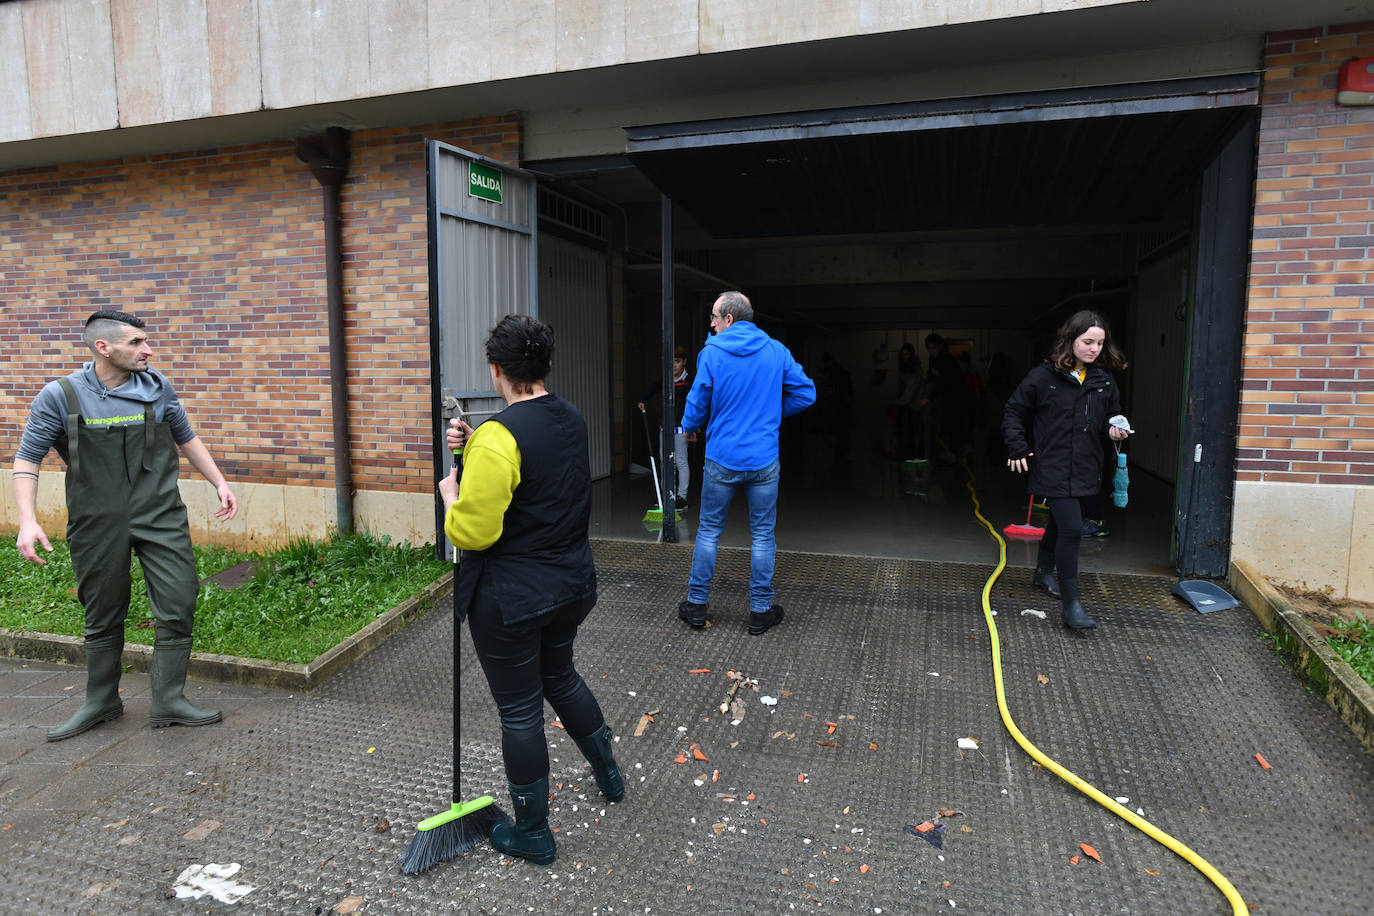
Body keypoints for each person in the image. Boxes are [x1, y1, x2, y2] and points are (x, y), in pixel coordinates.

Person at [438, 314, 622, 867]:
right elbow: (535, 475)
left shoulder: (500, 437)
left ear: (496, 370)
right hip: (570, 585)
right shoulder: (571, 418)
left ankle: (533, 832)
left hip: (513, 600)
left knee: (520, 711)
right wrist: (476, 447)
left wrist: (452, 494)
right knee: (560, 678)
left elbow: (474, 530)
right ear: (546, 366)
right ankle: (609, 776)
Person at [13, 310, 238, 741]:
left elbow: (185, 435)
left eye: (145, 341)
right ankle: (101, 701)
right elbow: (27, 459)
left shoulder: (158, 388)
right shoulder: (62, 395)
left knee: (179, 599)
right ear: (104, 348)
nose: (147, 349)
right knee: (102, 609)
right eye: (136, 342)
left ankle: (169, 700)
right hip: (97, 521)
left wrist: (219, 481)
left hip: (160, 515)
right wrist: (27, 520)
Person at [676, 291, 816, 635]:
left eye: (713, 317)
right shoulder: (776, 350)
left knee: (709, 531)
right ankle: (759, 611)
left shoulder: (711, 354)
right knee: (763, 536)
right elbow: (805, 393)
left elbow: (696, 406)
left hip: (722, 458)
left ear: (729, 320)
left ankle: (696, 606)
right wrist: (770, 414)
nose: (710, 324)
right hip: (764, 460)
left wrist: (690, 427)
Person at [1002, 310, 1131, 630]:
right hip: (1053, 466)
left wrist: (1114, 430)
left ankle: (1043, 573)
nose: (1094, 349)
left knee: (1061, 525)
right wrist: (1018, 447)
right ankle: (1072, 606)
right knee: (1072, 528)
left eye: (1100, 343)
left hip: (1087, 467)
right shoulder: (1043, 377)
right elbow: (1013, 411)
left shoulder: (1104, 380)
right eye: (1088, 342)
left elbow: (1110, 418)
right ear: (1070, 340)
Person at [637, 344, 692, 511]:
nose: (674, 365)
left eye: (677, 361)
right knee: (664, 463)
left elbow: (696, 403)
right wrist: (643, 400)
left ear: (684, 362)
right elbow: (653, 388)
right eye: (671, 362)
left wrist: (694, 425)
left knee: (680, 462)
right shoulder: (665, 379)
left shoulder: (689, 382)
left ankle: (681, 497)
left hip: (681, 429)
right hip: (665, 428)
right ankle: (667, 497)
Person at [923, 333, 974, 461]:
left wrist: (930, 395)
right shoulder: (933, 359)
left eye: (933, 347)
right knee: (950, 423)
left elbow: (943, 381)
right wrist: (929, 377)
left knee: (955, 423)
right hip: (946, 396)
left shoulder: (948, 359)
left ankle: (956, 452)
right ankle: (958, 450)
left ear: (940, 346)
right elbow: (934, 377)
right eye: (928, 348)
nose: (931, 351)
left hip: (958, 396)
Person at [892, 342, 924, 460]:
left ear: (911, 355)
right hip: (909, 404)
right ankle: (910, 455)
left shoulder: (915, 369)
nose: (904, 357)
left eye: (907, 354)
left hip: (916, 404)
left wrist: (899, 401)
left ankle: (918, 458)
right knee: (909, 431)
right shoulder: (904, 368)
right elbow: (903, 385)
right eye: (902, 354)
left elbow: (911, 388)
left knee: (917, 433)